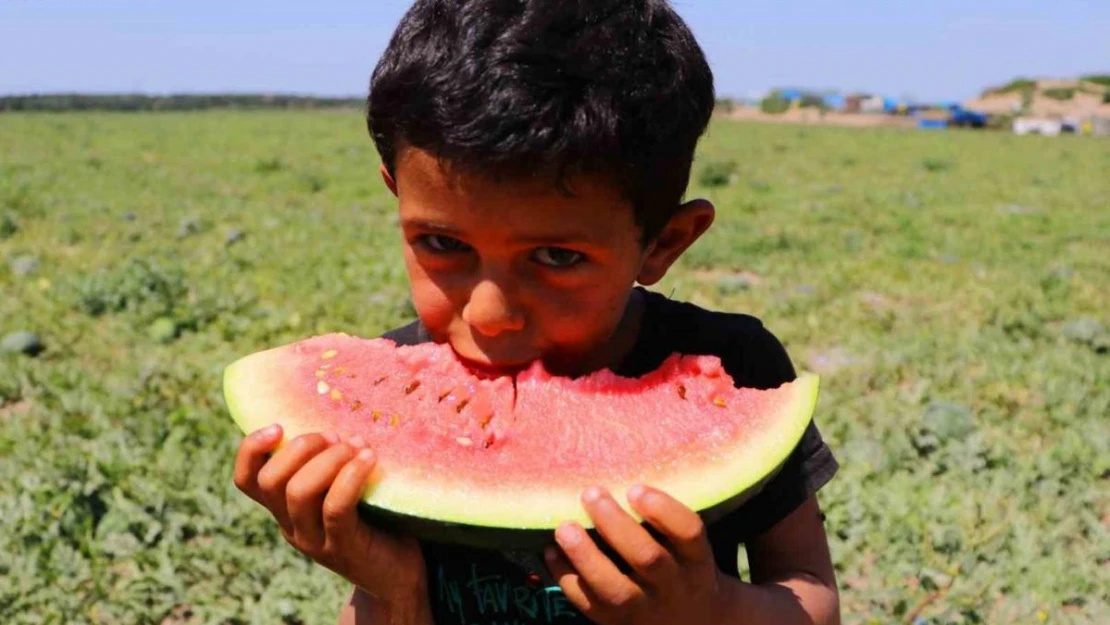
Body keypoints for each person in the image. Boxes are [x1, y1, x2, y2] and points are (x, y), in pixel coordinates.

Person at [233, 1, 841, 623]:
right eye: (443, 244)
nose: (490, 314)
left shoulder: (736, 366)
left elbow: (810, 594)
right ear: (397, 194)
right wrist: (390, 587)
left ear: (663, 243)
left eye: (556, 256)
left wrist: (710, 610)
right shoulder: (376, 409)